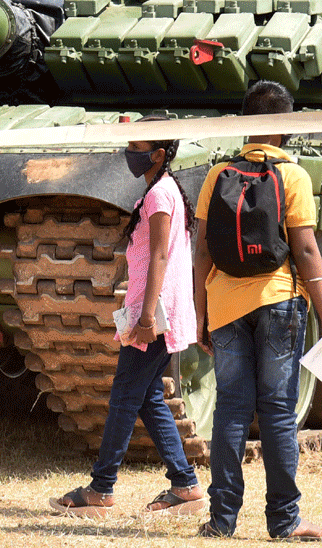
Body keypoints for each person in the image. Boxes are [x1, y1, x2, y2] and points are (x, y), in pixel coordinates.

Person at [49, 118, 203, 517]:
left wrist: (147, 315)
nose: (128, 152)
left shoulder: (158, 196)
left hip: (155, 314)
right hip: (154, 309)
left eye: (135, 145)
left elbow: (159, 256)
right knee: (146, 395)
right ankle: (185, 485)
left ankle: (101, 489)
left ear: (157, 154)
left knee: (124, 396)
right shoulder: (162, 191)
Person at [193, 81, 322, 539]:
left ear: (247, 123)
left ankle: (221, 521)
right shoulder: (295, 176)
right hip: (280, 302)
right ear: (286, 126)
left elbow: (202, 251)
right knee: (278, 413)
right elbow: (305, 252)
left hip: (226, 305)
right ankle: (284, 521)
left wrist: (200, 313)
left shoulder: (216, 174)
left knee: (230, 411)